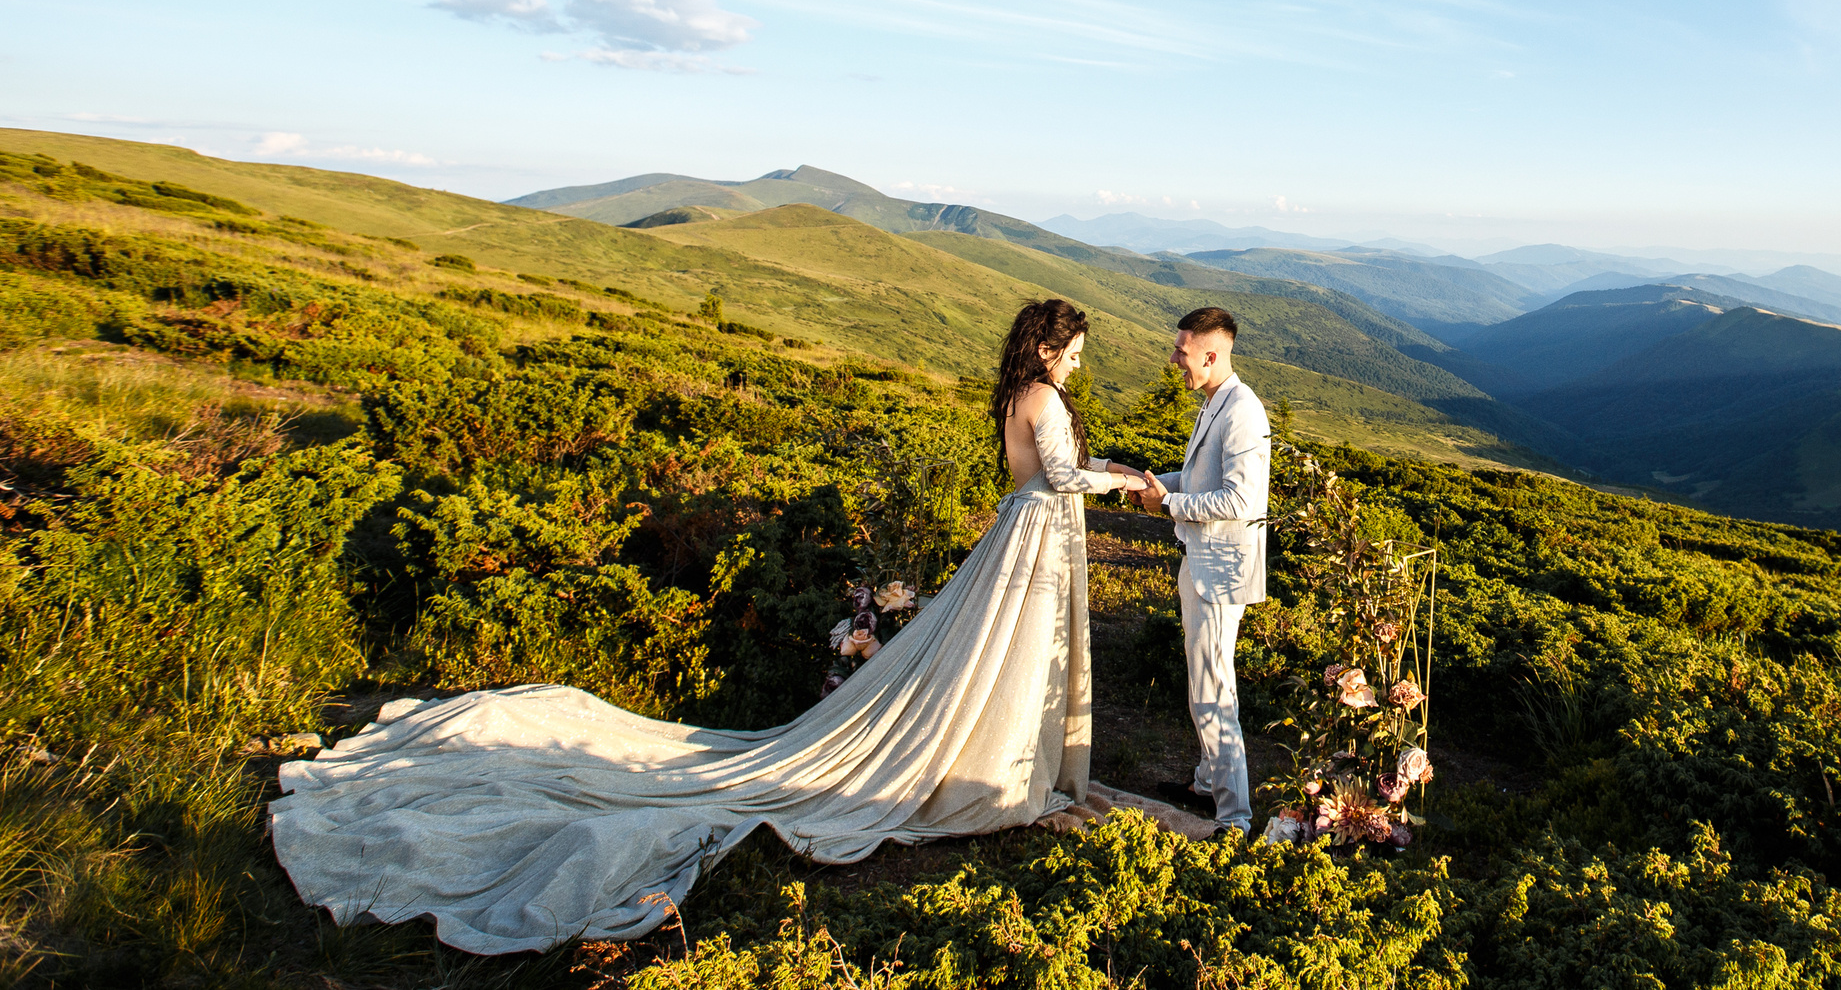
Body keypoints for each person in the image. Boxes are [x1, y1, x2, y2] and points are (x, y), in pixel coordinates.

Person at [267, 298, 1150, 955]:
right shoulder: (1038, 394)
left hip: (1032, 534)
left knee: (1000, 656)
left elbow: (1066, 467)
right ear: (1047, 343)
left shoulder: (1027, 393)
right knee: (1005, 655)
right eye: (1073, 349)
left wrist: (1124, 468)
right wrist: (1119, 482)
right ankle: (989, 766)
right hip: (1036, 532)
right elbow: (1062, 480)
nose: (1077, 362)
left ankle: (1001, 760)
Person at [1138, 305, 1270, 833]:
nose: (1175, 360)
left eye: (1182, 351)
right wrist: (1149, 481)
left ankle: (1234, 819)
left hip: (1221, 572)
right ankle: (1204, 782)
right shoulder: (1216, 401)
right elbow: (1200, 478)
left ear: (1211, 355)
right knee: (1203, 682)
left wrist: (1167, 504)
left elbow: (1239, 500)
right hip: (1202, 563)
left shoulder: (1243, 412)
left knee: (1214, 690)